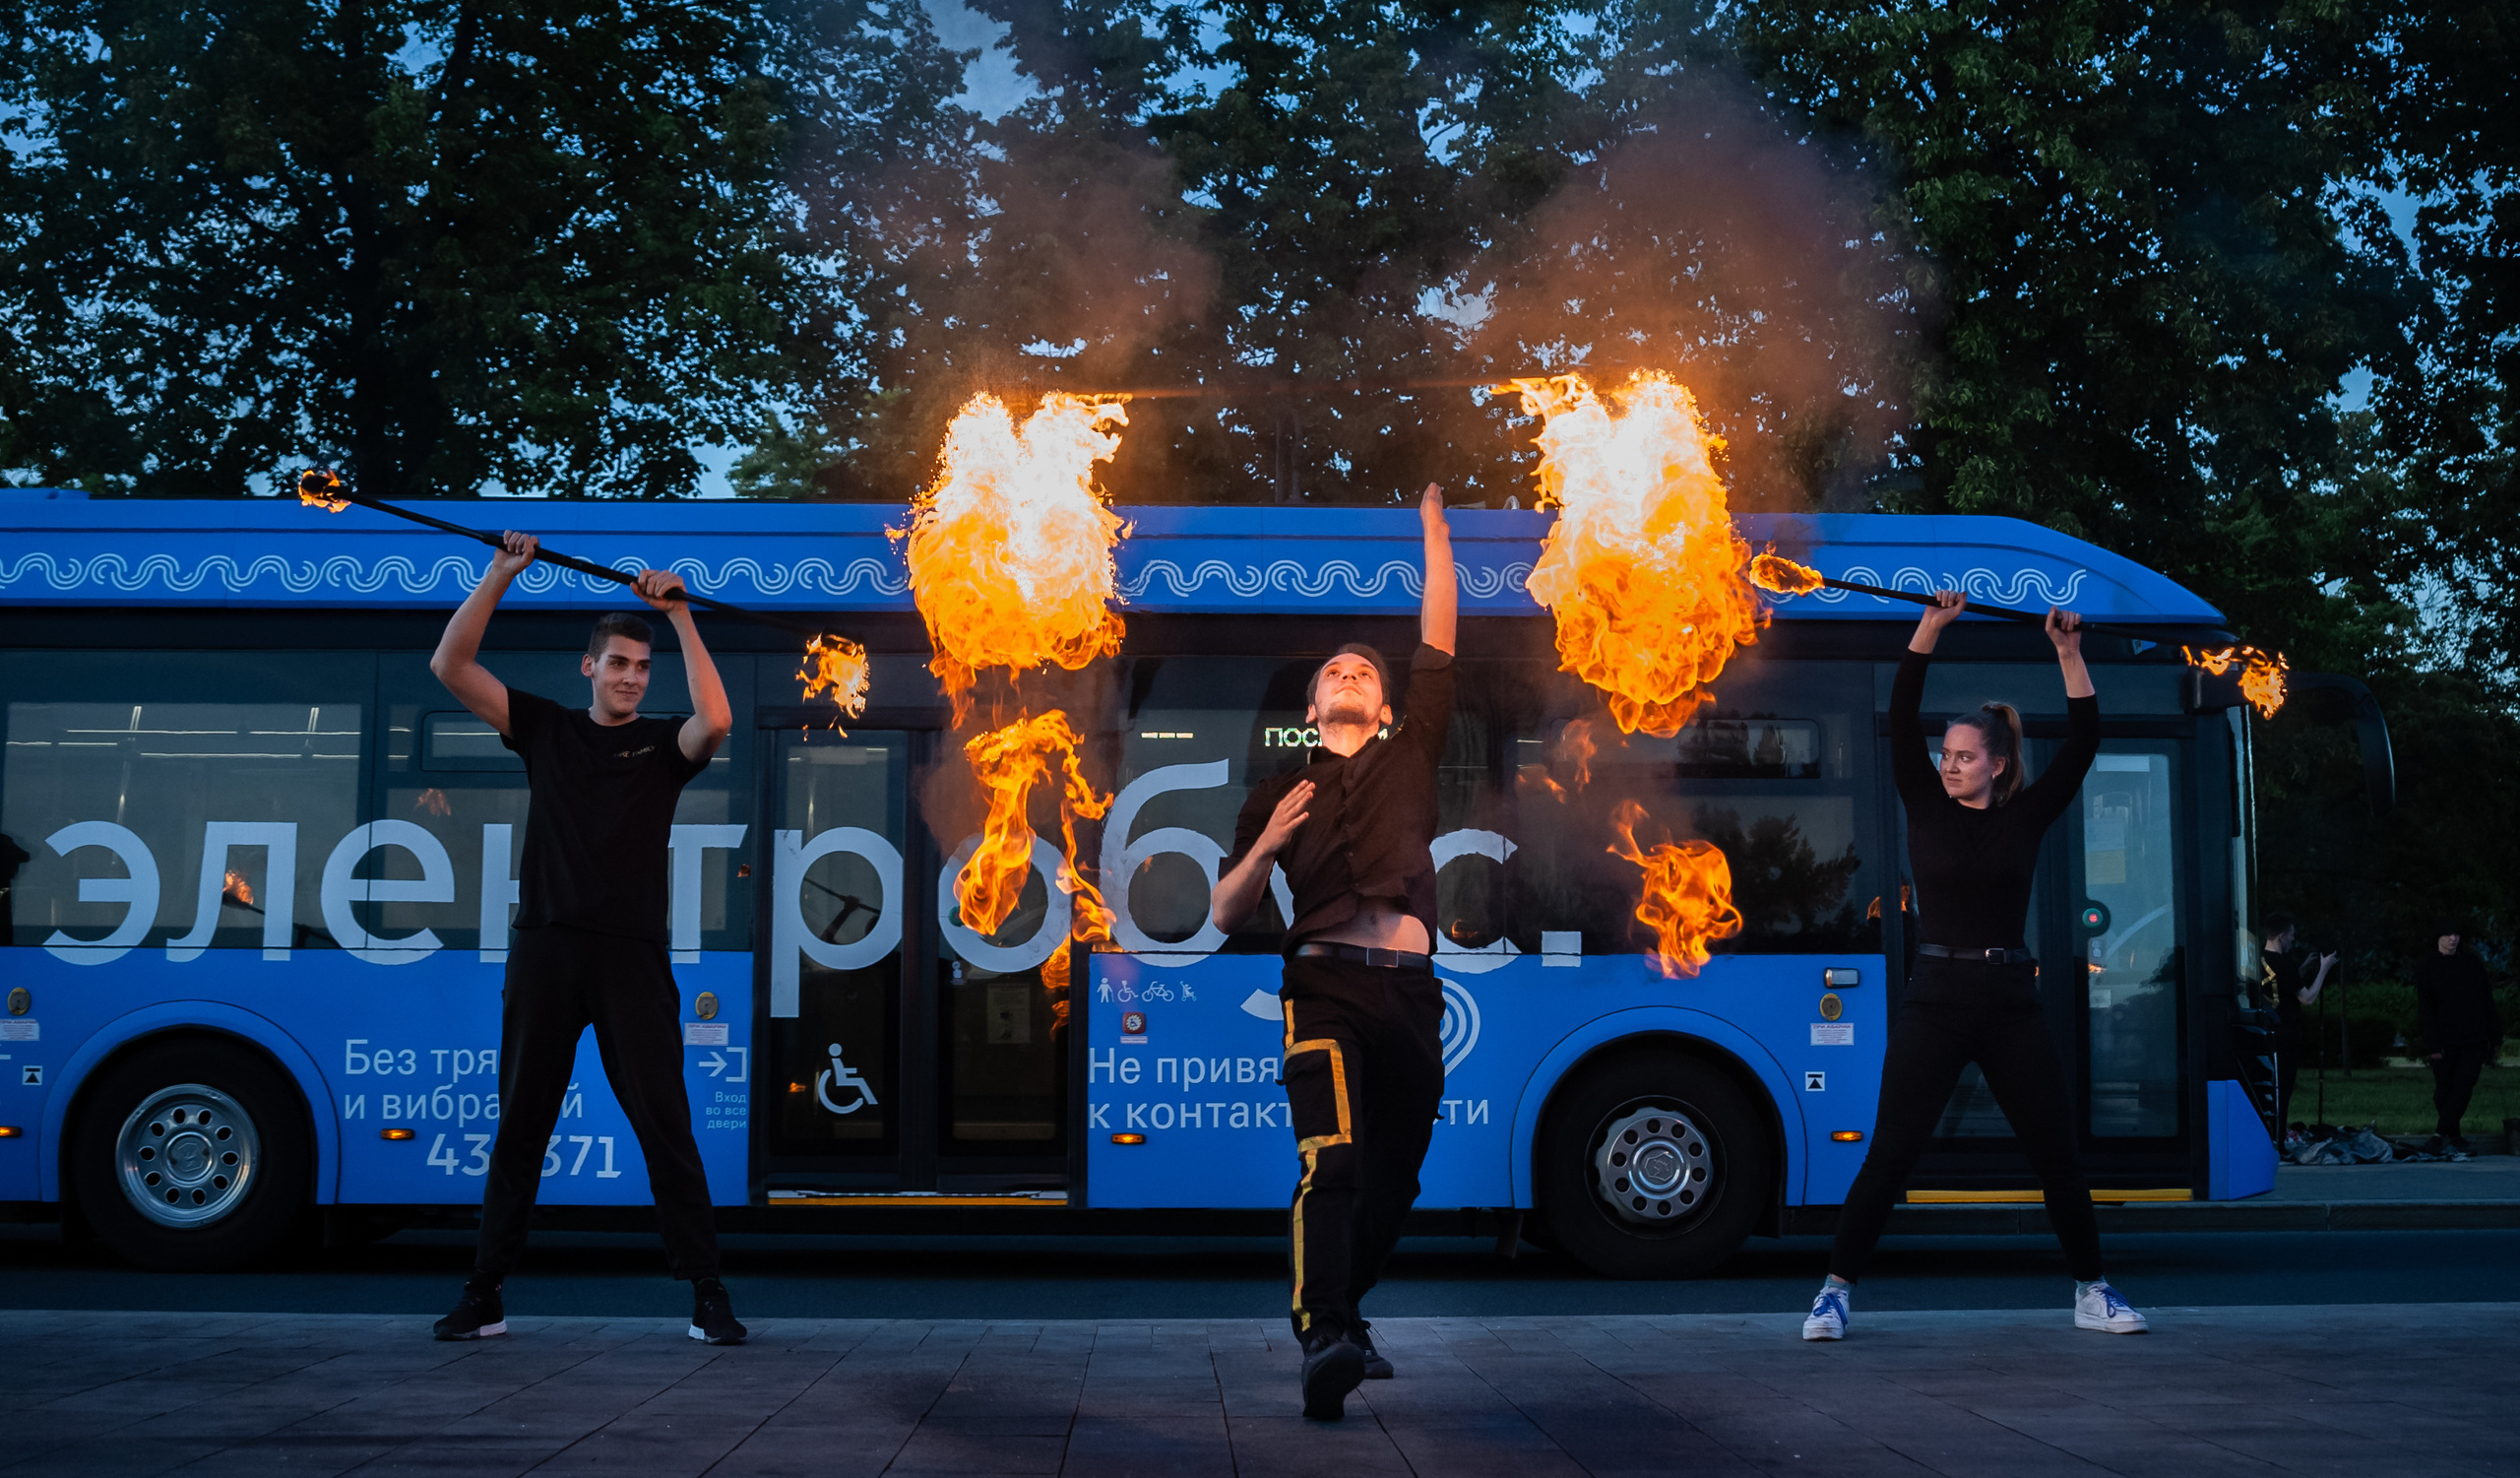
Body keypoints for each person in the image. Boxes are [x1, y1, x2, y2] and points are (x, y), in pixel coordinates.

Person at [1801, 590, 2149, 1342]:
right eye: (1946, 755)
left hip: (2008, 1000)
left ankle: (2094, 1290)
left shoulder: (2026, 816)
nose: (1948, 764)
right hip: (1935, 998)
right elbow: (1900, 720)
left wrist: (2067, 653)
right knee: (1891, 1150)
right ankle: (1833, 1293)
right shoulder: (1924, 803)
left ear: (1996, 764)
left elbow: (2085, 741)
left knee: (2056, 1150)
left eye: (1964, 757)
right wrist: (1929, 628)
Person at [425, 531, 745, 1346]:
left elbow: (717, 718)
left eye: (641, 668)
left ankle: (707, 1294)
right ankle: (485, 1292)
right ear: (589, 667)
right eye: (619, 665)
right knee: (522, 1125)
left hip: (630, 954)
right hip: (548, 947)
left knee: (664, 1123)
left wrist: (678, 617)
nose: (632, 678)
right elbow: (450, 667)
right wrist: (500, 573)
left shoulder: (664, 746)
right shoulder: (545, 729)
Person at [1210, 482, 1455, 1421]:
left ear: (1386, 710)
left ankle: (1349, 1318)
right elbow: (1226, 913)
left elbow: (1437, 643)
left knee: (1397, 1174)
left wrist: (1434, 535)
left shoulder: (1410, 757)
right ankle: (1323, 1337)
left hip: (1411, 993)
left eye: (1365, 673)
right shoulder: (1276, 790)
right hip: (1320, 989)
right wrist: (1268, 842)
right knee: (1334, 1159)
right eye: (1336, 673)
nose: (1351, 675)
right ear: (1314, 708)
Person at [2415, 921, 2498, 1154]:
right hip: (2444, 1039)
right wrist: (2432, 1042)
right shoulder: (2428, 967)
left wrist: (2492, 1035)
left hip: (2473, 1036)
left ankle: (2440, 1134)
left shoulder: (2471, 964)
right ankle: (2454, 1134)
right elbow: (2426, 1008)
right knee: (2444, 1089)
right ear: (2438, 938)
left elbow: (2486, 1000)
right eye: (2447, 934)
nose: (2453, 939)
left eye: (2456, 934)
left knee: (2463, 1086)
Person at [2261, 914, 2338, 1128]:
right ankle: (2281, 1140)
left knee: (2269, 1089)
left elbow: (2280, 984)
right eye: (2292, 936)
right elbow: (2307, 998)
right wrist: (2324, 968)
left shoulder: (2259, 960)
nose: (2293, 940)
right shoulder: (2285, 963)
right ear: (2281, 936)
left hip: (2267, 1032)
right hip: (2286, 1035)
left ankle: (2270, 1135)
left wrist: (2302, 968)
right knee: (2283, 1089)